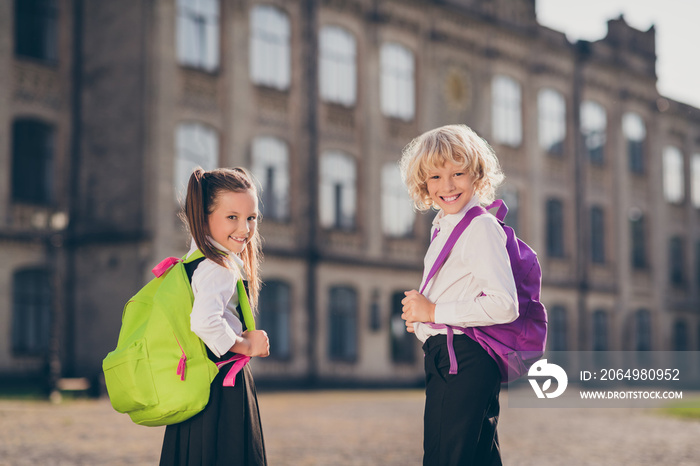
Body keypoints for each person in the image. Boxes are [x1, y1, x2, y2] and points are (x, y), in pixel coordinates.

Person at [399, 124, 518, 466]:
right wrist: (423, 320)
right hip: (450, 354)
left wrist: (434, 312)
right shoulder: (444, 225)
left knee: (445, 458)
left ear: (477, 175)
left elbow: (504, 304)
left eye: (458, 173)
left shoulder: (479, 226)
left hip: (461, 358)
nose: (446, 186)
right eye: (435, 177)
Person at [160, 167, 270, 466]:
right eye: (232, 217)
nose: (245, 229)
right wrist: (247, 345)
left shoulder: (194, 262)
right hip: (222, 388)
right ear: (204, 216)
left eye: (251, 218)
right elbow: (205, 322)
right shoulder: (219, 266)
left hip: (198, 385)